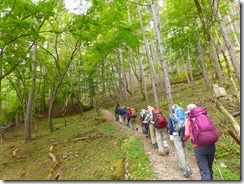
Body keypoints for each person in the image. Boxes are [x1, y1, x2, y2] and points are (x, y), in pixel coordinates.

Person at [182, 103, 216, 180]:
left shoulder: (188, 120)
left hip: (199, 147)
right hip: (211, 145)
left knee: (204, 171)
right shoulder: (206, 117)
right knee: (209, 167)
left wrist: (183, 139)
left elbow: (187, 134)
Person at [168, 104, 192, 176]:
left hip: (176, 134)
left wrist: (171, 135)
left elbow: (171, 126)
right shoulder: (183, 113)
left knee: (179, 150)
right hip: (184, 133)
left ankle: (184, 167)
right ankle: (187, 164)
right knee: (184, 149)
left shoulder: (171, 115)